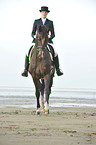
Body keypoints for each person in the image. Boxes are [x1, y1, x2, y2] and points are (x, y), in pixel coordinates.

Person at [21, 6, 63, 77]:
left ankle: (58, 69)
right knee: (27, 51)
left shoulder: (50, 22)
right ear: (41, 12)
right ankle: (25, 70)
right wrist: (35, 37)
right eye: (43, 12)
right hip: (37, 41)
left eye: (45, 12)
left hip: (47, 42)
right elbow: (32, 32)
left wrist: (49, 37)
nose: (44, 13)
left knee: (55, 52)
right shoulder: (36, 21)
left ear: (47, 13)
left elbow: (53, 34)